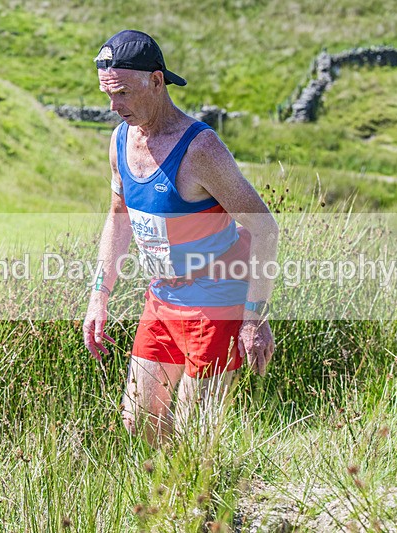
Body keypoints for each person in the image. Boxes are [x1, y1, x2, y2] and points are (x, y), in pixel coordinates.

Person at [83, 30, 279, 446]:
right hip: (162, 297)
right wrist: (99, 296)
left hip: (217, 299)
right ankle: (172, 485)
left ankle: (206, 488)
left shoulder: (200, 149)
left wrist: (255, 318)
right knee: (139, 420)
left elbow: (264, 226)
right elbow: (118, 216)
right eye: (108, 95)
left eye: (122, 93)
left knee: (195, 435)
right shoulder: (120, 141)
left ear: (157, 81)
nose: (114, 107)